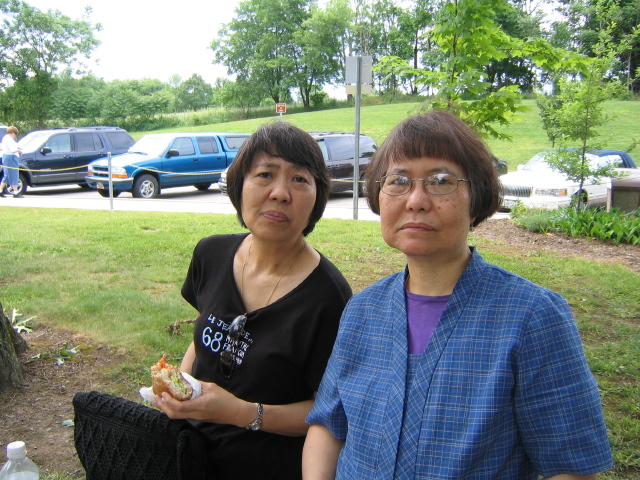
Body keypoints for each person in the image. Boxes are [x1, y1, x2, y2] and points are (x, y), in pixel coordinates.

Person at [303, 111, 613, 480]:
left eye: (440, 181)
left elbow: (570, 468)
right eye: (399, 180)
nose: (416, 200)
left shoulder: (533, 317)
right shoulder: (362, 310)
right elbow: (328, 426)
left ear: (476, 196)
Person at [153, 121, 353, 480]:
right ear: (239, 185)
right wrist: (178, 385)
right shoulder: (210, 253)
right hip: (188, 453)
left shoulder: (329, 297)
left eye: (299, 179)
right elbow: (202, 339)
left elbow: (328, 415)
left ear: (317, 199)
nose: (280, 192)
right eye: (265, 174)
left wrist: (240, 412)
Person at [0, 126, 23, 198]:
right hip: (11, 157)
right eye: (15, 133)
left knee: (7, 175)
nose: (15, 135)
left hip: (8, 157)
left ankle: (0, 190)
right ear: (12, 132)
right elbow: (12, 149)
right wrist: (19, 150)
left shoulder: (7, 138)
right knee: (14, 174)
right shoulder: (8, 139)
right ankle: (15, 192)